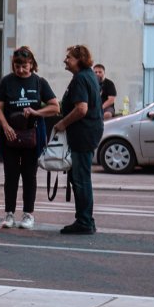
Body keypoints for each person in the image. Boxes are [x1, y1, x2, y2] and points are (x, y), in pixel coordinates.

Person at [0, 47, 59, 230]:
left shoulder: (39, 82)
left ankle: (28, 214)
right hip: (10, 135)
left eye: (24, 66)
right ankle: (9, 214)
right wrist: (5, 126)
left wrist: (36, 112)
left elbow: (55, 107)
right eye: (17, 66)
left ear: (31, 64)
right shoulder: (6, 82)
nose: (20, 70)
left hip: (32, 136)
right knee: (11, 175)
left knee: (30, 175)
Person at [56, 45, 104, 235]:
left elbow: (81, 109)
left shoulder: (81, 78)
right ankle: (86, 219)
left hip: (83, 134)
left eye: (69, 57)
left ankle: (84, 221)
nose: (65, 60)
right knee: (82, 178)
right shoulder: (88, 76)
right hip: (88, 132)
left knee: (81, 179)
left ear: (80, 59)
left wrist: (63, 123)